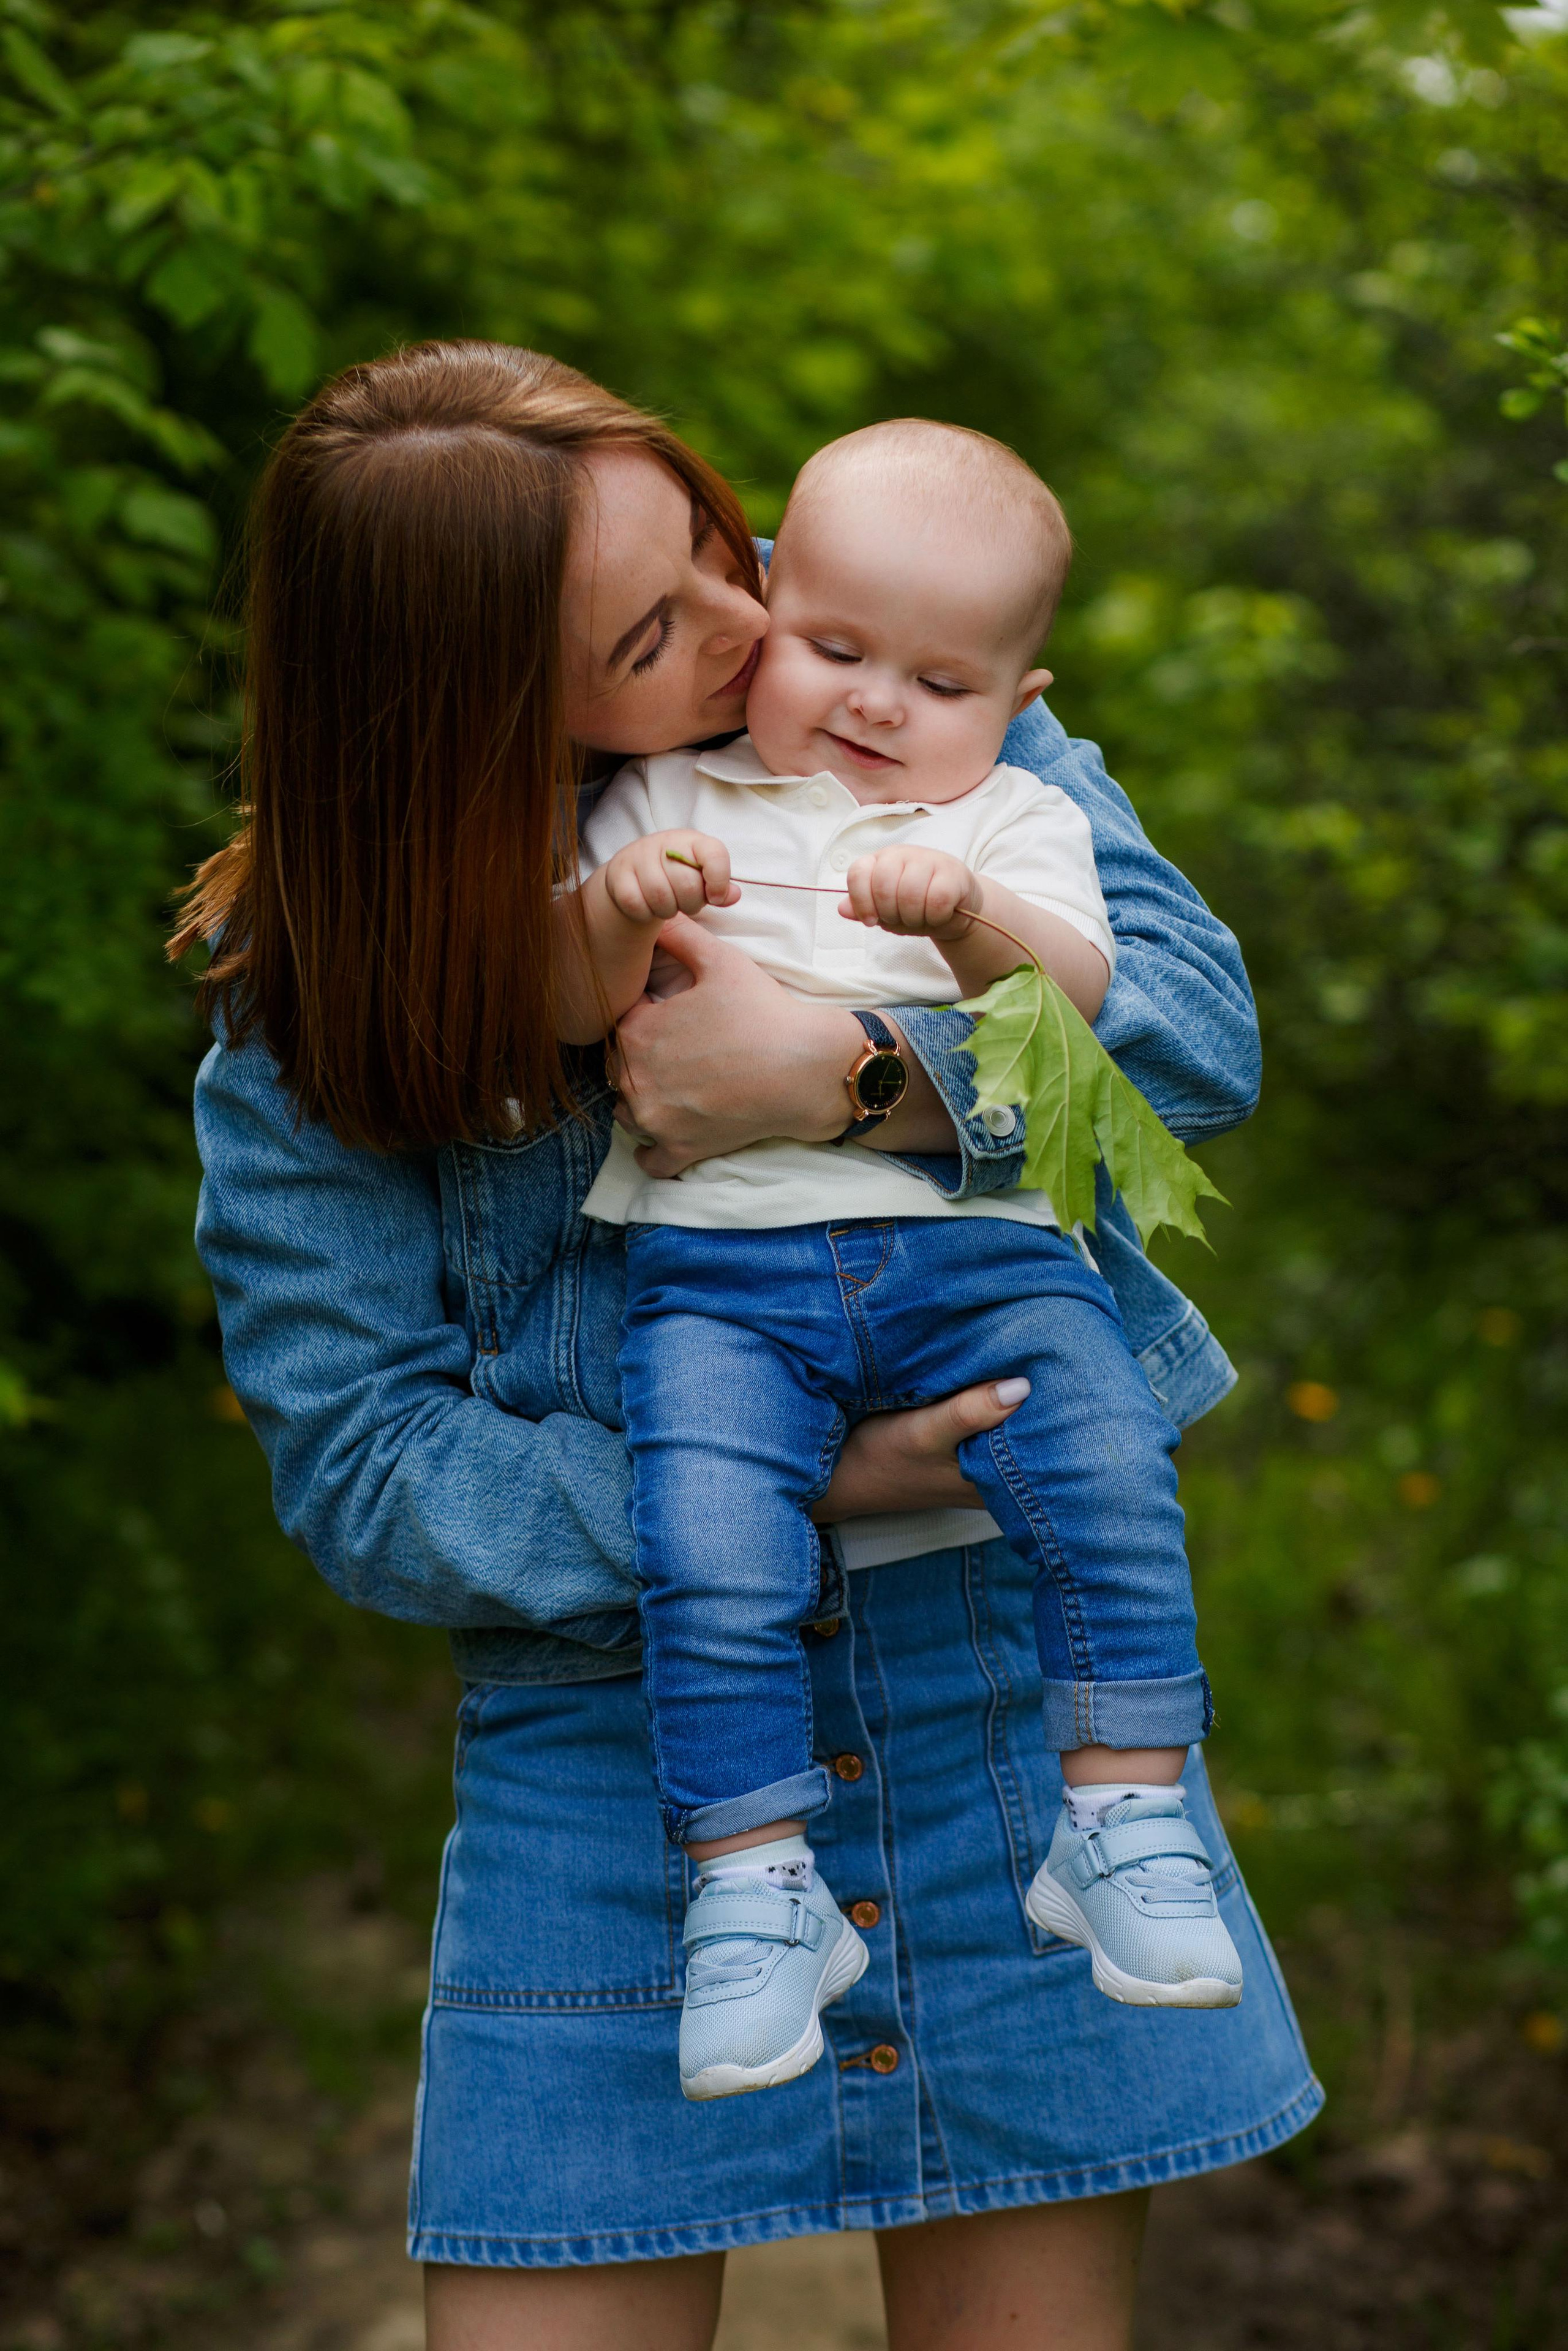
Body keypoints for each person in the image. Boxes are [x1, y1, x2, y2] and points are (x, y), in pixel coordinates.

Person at [181, 341, 1320, 2351]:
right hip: (615, 1765)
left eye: (722, 541)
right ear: (490, 716)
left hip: (1005, 1721)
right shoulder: (333, 981)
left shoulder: (892, 645)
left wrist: (863, 1077)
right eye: (656, 631)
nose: (751, 625)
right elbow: (366, 1463)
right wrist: (786, 1494)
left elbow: (1192, 1050)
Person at [560, 420, 1242, 2104]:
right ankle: (752, 1887)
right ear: (777, 605)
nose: (874, 704)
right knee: (712, 1551)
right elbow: (559, 1008)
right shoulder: (669, 791)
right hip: (719, 1274)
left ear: (1019, 699)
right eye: (836, 649)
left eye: (937, 684)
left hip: (979, 1257)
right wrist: (614, 907)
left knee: (1107, 1471)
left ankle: (1125, 1813)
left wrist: (961, 925)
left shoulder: (1011, 811)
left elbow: (1107, 1014)